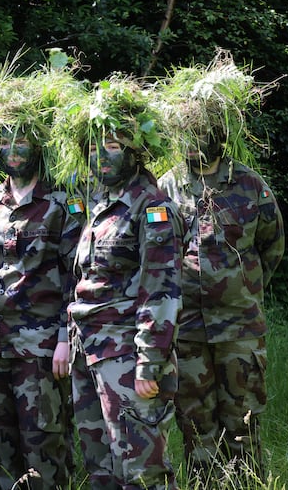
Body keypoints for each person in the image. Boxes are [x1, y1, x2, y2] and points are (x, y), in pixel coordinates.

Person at [157, 55, 285, 478]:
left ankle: (247, 483)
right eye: (186, 135)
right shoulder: (168, 185)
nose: (192, 143)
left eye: (201, 134)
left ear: (219, 134)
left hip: (239, 330)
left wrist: (241, 288)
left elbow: (271, 246)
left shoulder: (250, 185)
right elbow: (156, 251)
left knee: (243, 424)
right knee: (195, 423)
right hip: (187, 329)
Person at [64, 77, 184, 489]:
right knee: (100, 467)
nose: (101, 156)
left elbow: (162, 289)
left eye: (113, 146)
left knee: (141, 470)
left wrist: (150, 361)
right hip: (89, 350)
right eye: (94, 148)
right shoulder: (98, 203)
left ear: (135, 152)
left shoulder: (153, 209)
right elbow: (84, 278)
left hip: (126, 355)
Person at [0, 60, 85, 489]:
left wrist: (62, 340)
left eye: (23, 141)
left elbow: (75, 276)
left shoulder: (62, 204)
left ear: (38, 147)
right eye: (6, 141)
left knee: (45, 444)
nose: (14, 149)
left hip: (40, 347)